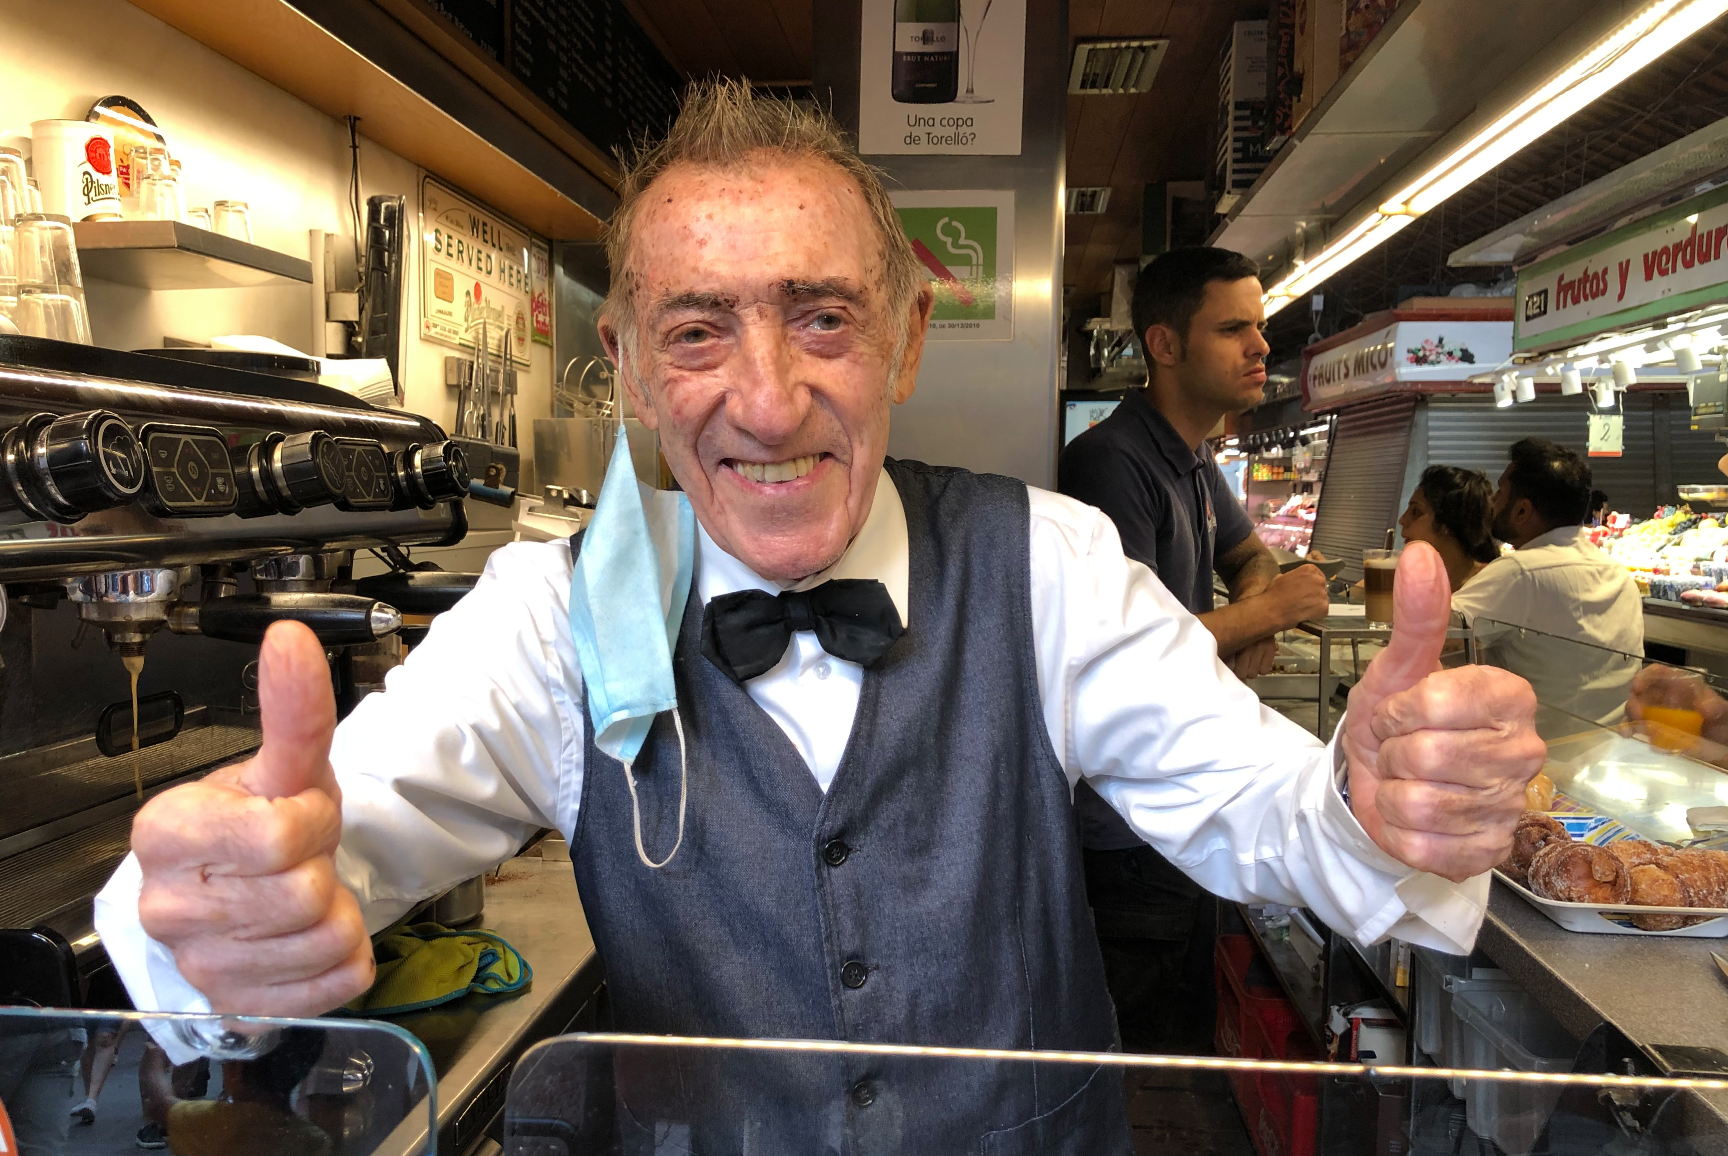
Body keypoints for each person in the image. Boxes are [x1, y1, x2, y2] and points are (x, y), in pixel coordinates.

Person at [94, 82, 1543, 1152]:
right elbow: (293, 851)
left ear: (906, 335)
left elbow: (1279, 826)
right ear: (631, 369)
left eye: (824, 317)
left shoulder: (1045, 562)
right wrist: (213, 919)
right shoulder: (564, 608)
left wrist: (1377, 805)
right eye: (698, 328)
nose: (770, 399)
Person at [1056, 248, 1330, 1053]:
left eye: (1262, 327)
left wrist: (1253, 609)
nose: (1261, 348)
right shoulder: (1111, 462)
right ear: (1165, 345)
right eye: (1234, 328)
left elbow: (1251, 556)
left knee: (1186, 1025)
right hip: (1128, 825)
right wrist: (1269, 613)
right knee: (1142, 1052)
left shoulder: (1194, 457)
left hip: (1183, 804)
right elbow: (1118, 654)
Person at [1453, 438, 1642, 724]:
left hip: (1537, 755)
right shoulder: (1619, 574)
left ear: (1522, 511)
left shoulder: (1519, 572)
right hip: (1610, 748)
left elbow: (1434, 633)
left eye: (1500, 492)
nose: (1492, 501)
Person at [1398, 465, 1501, 593]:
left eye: (1416, 512)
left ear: (1446, 523)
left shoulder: (1490, 586)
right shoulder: (1413, 582)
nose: (1402, 520)